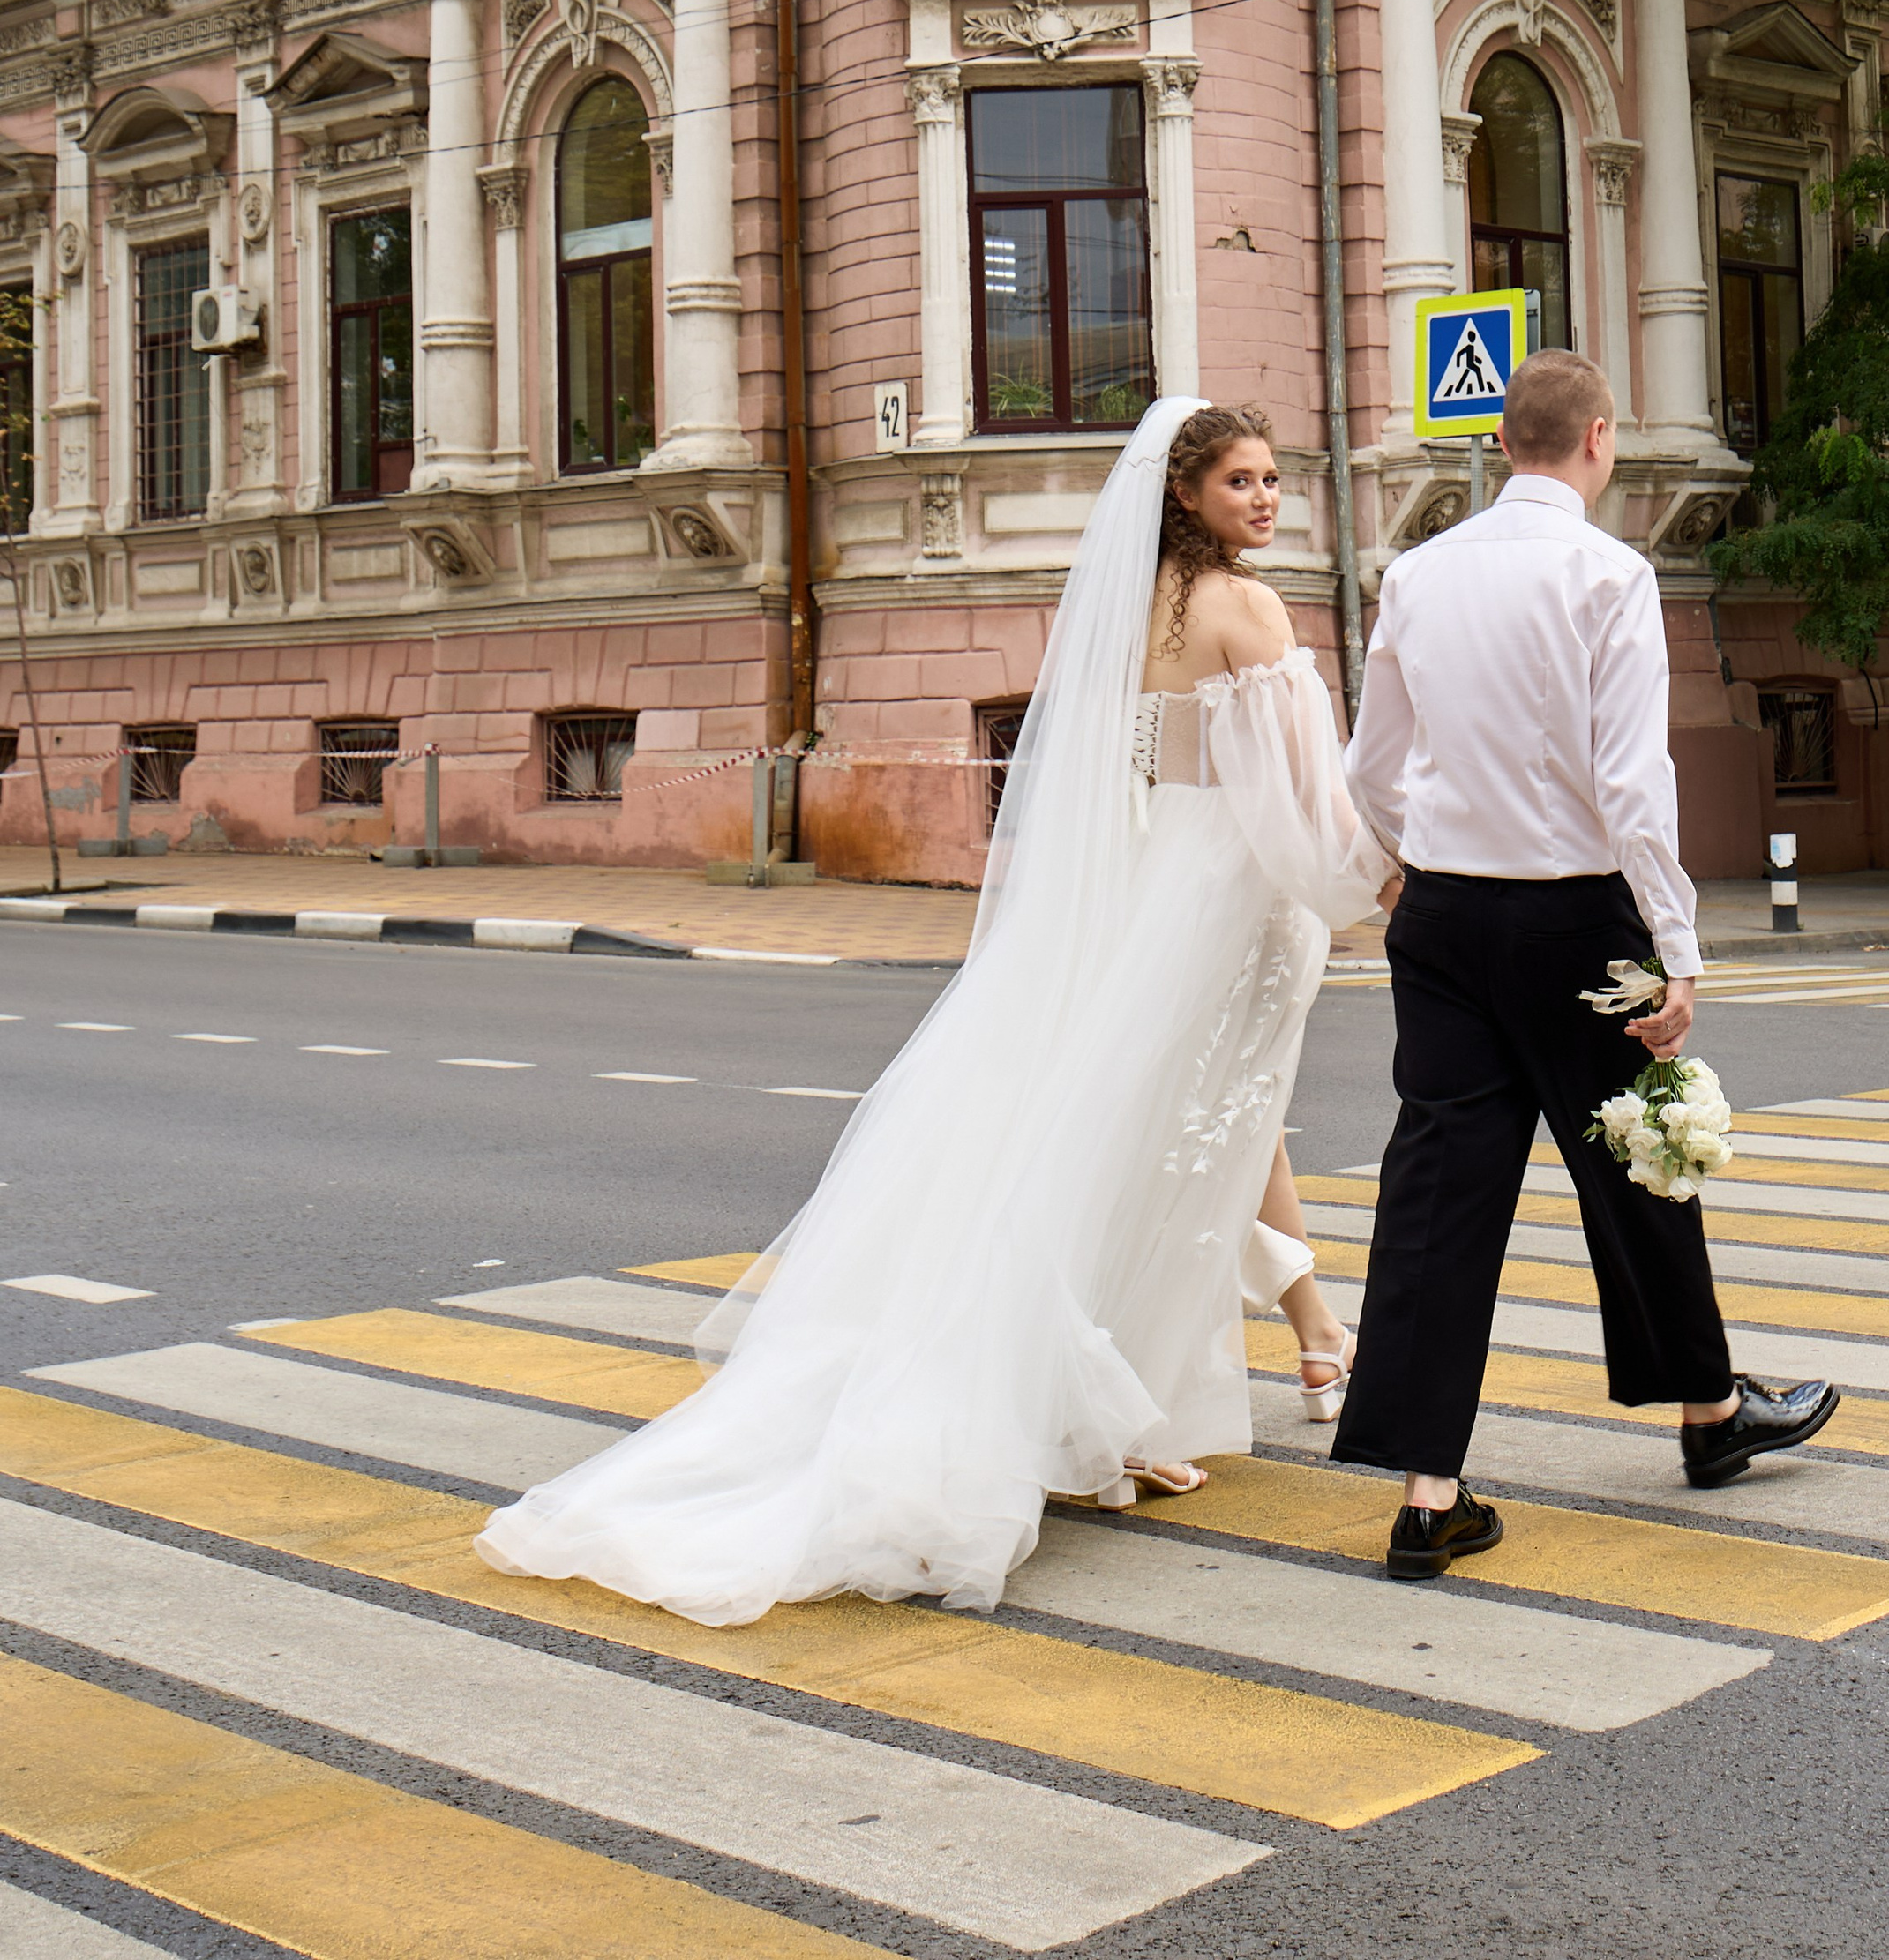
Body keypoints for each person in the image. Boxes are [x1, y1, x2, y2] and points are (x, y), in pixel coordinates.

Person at [477, 395, 1391, 1623]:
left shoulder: (1133, 614)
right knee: (1192, 1132)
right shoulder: (1250, 609)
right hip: (1230, 898)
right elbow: (1292, 797)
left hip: (1146, 890)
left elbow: (1123, 776)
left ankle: (1203, 1370)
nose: (1268, 499)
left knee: (1167, 1126)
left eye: (1274, 479)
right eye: (1242, 481)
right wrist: (1372, 880)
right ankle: (1110, 1401)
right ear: (1185, 495)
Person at [1330, 346, 1838, 1581]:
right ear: (1600, 439)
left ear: (1505, 443)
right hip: (1570, 917)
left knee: (1441, 1190)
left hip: (1443, 919)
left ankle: (1425, 1491)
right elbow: (1630, 783)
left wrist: (1413, 866)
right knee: (1639, 1162)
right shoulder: (1610, 574)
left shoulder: (1419, 571)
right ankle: (1710, 1417)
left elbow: (1368, 767)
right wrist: (1676, 944)